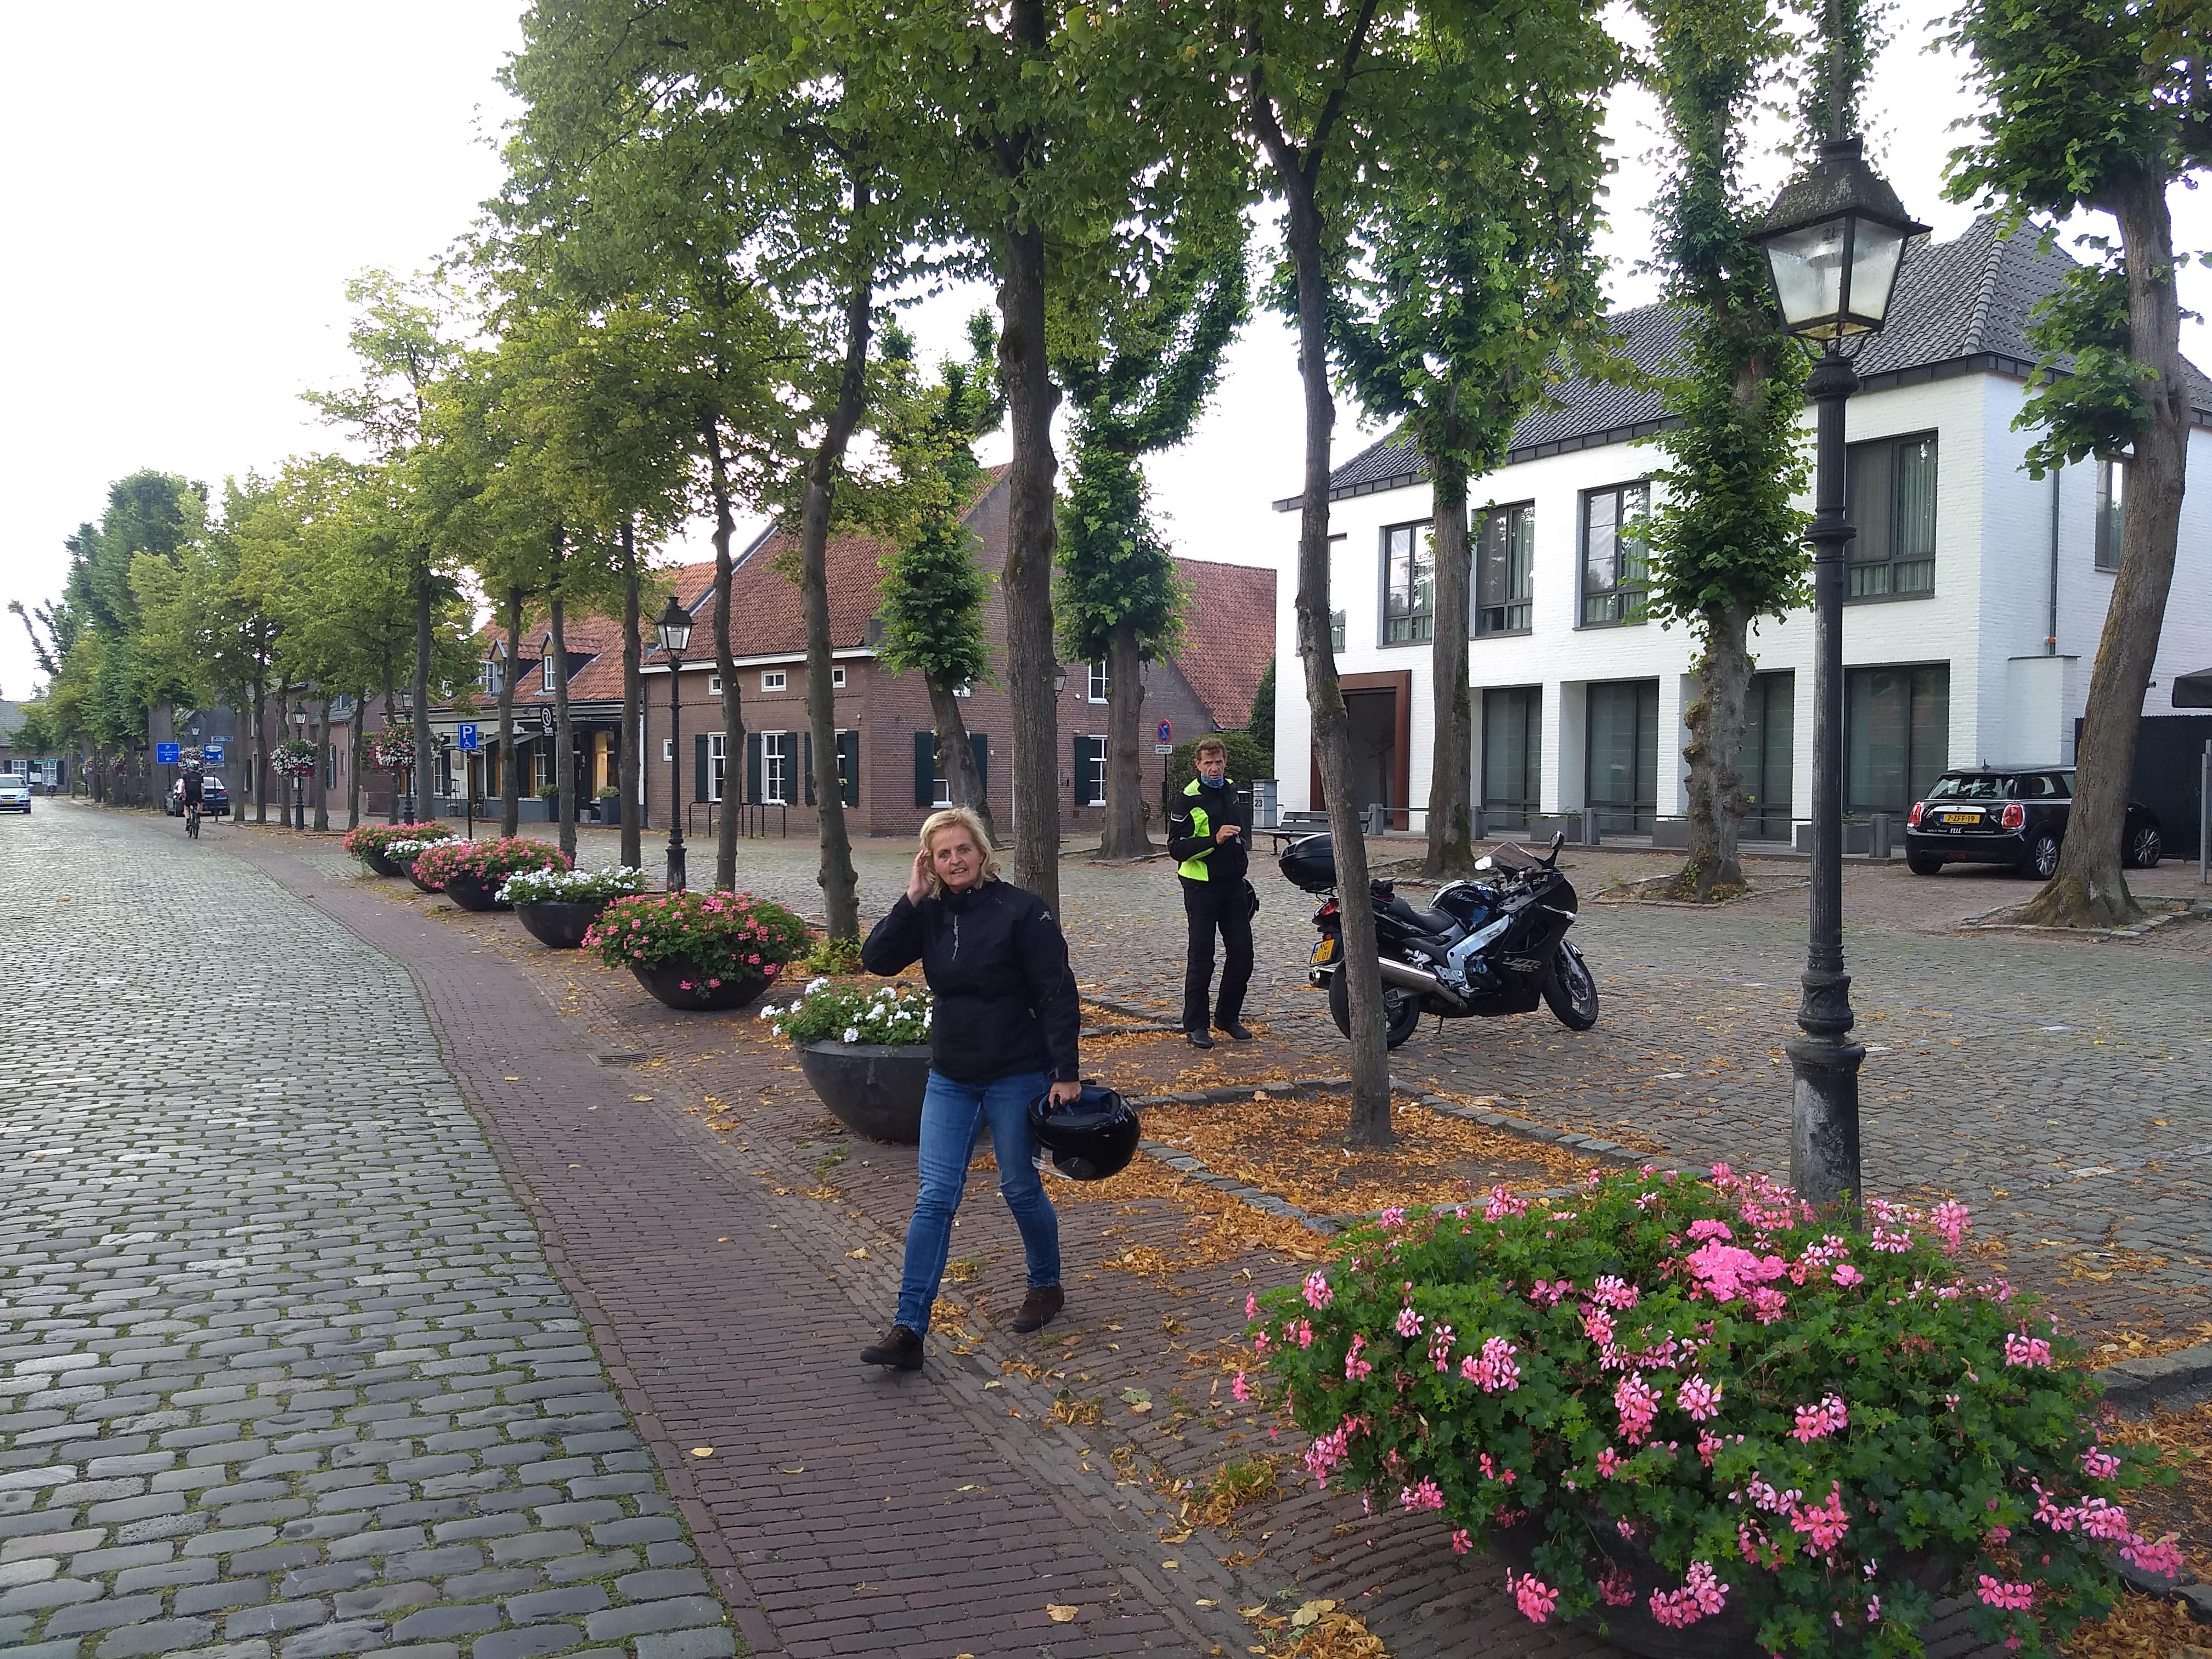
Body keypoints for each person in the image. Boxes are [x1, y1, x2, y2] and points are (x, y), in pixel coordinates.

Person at [857, 806, 1083, 1371]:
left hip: (1016, 1072)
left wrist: (1065, 1072)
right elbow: (877, 959)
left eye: (963, 849)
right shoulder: (930, 913)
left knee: (1019, 1186)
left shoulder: (1023, 911)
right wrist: (911, 899)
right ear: (930, 863)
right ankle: (909, 1328)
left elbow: (1057, 992)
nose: (955, 860)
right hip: (951, 1077)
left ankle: (1046, 1285)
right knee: (935, 1197)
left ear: (982, 852)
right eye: (943, 854)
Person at [1165, 736, 1253, 1049]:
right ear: (1198, 765)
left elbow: (1240, 835)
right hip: (1200, 887)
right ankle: (1196, 1025)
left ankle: (1227, 1017)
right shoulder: (1187, 799)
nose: (1214, 768)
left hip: (1233, 885)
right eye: (1208, 763)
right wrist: (1214, 840)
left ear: (1225, 762)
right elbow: (1175, 849)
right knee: (1202, 957)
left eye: (1218, 762)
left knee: (1243, 953)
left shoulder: (1231, 790)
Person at [179, 765, 204, 836]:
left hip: (189, 793)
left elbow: (183, 785)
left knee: (186, 807)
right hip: (197, 793)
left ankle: (188, 820)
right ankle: (198, 815)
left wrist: (181, 793)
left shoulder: (186, 776)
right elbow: (202, 787)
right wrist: (203, 797)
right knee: (200, 803)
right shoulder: (200, 776)